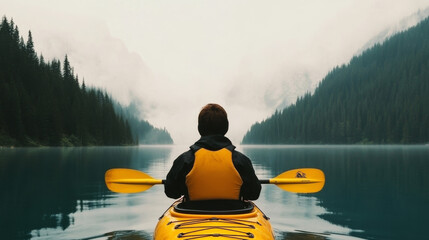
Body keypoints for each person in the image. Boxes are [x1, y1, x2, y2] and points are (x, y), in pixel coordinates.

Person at [165, 103, 261, 202]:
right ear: (226, 127)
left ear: (199, 128)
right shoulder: (241, 161)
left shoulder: (184, 160)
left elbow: (171, 192)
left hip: (192, 212)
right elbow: (254, 194)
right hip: (235, 213)